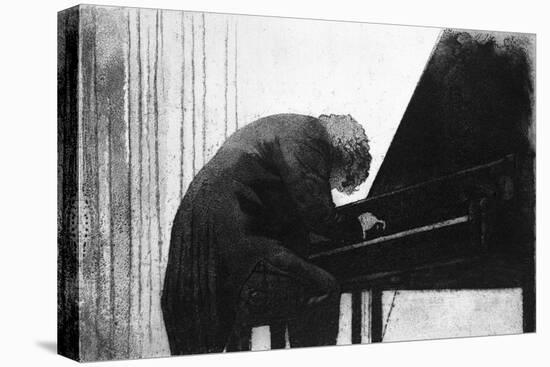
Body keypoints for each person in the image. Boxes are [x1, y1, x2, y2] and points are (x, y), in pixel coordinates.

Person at [161, 113, 384, 355]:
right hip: (226, 239)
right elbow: (318, 215)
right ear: (345, 158)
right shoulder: (310, 138)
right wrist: (358, 226)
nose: (332, 187)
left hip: (206, 236)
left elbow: (293, 219)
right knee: (321, 288)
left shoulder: (292, 132)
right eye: (340, 181)